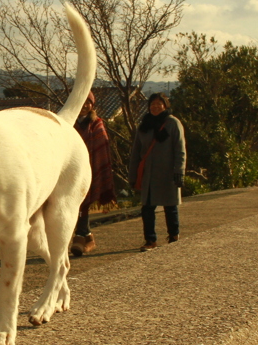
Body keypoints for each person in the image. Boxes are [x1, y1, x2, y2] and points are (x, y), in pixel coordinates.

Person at [128, 92, 186, 251]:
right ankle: (150, 240)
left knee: (170, 206)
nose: (155, 107)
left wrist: (179, 171)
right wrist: (132, 175)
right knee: (147, 208)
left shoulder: (173, 123)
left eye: (159, 104)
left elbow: (180, 149)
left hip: (168, 172)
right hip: (148, 174)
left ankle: (174, 236)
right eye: (152, 104)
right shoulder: (144, 125)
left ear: (165, 105)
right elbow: (136, 152)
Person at [70, 91, 116, 256]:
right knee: (75, 204)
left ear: (92, 105)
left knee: (85, 205)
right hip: (72, 169)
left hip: (92, 168)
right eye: (82, 101)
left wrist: (96, 168)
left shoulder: (97, 124)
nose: (84, 105)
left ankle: (79, 237)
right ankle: (88, 237)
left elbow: (101, 147)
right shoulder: (69, 123)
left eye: (88, 102)